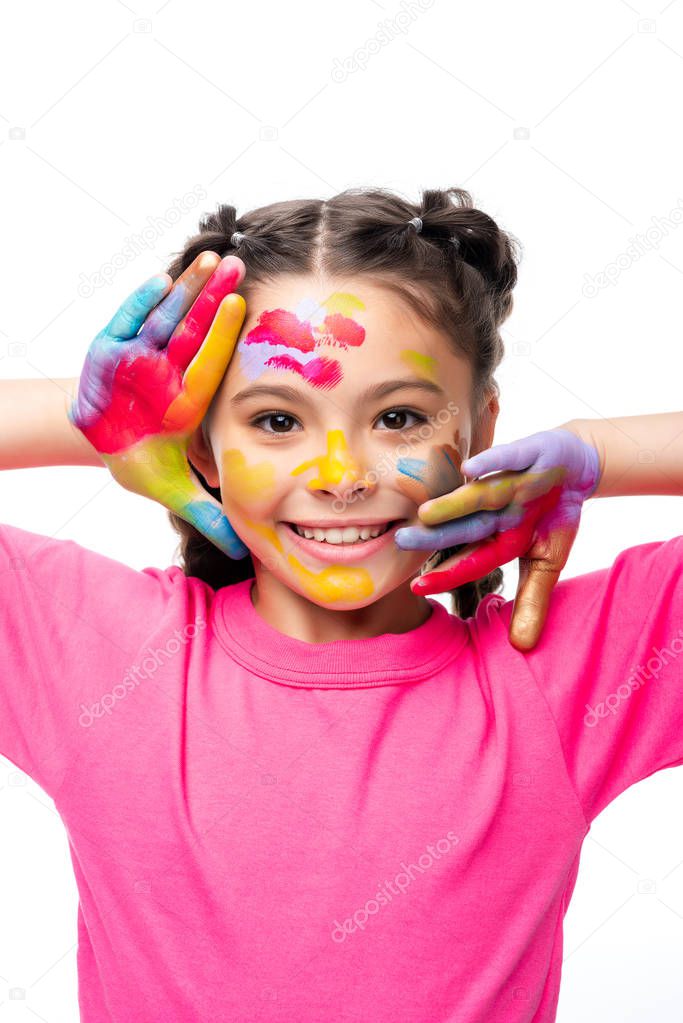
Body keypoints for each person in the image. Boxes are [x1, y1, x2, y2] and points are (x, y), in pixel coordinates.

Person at [0, 185, 681, 1022]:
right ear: (202, 444)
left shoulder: (561, 671)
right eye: (277, 419)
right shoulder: (97, 653)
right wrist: (96, 425)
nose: (340, 471)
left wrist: (599, 453)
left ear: (478, 427)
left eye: (396, 416)